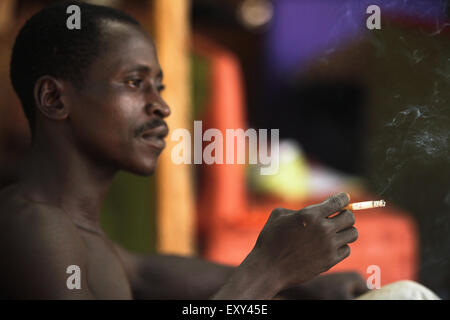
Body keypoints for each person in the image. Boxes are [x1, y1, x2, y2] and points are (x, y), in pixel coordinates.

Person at [0, 1, 436, 300]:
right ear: (55, 100)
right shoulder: (30, 226)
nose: (162, 105)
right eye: (134, 83)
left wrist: (297, 285)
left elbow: (146, 273)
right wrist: (269, 271)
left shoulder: (79, 232)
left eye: (160, 86)